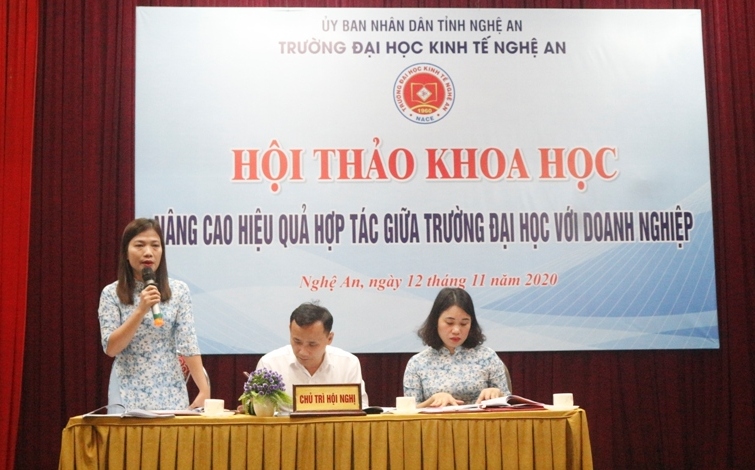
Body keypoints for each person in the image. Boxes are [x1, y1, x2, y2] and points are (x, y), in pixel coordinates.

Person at [99, 218, 210, 410]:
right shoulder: (111, 293)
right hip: (126, 389)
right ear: (126, 252)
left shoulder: (179, 291)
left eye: (155, 245)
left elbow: (188, 343)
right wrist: (141, 310)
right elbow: (111, 348)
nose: (148, 252)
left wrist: (204, 389)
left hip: (170, 389)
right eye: (139, 245)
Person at [403, 287, 511, 407]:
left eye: (464, 323)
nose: (456, 330)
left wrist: (498, 394)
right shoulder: (417, 363)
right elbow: (408, 411)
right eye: (449, 322)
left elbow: (509, 404)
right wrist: (432, 400)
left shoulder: (488, 357)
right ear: (435, 321)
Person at [256, 302, 369, 408]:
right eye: (297, 341)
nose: (303, 352)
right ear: (290, 330)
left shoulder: (348, 364)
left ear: (329, 338)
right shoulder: (269, 364)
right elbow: (259, 409)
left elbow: (360, 409)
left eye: (312, 344)